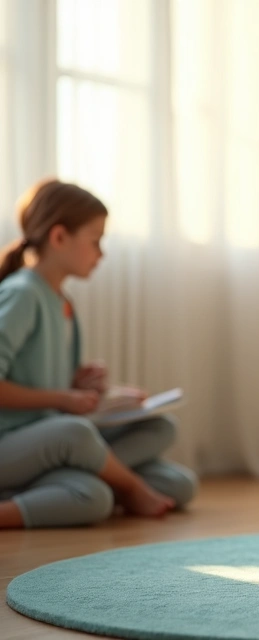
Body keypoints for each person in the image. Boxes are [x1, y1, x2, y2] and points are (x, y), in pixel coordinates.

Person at [0, 179, 197, 529]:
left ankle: (68, 483)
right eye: (95, 241)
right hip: (15, 443)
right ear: (59, 237)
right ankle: (128, 486)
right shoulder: (23, 294)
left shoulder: (63, 303)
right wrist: (63, 398)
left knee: (169, 460)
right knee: (77, 438)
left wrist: (79, 384)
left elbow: (40, 380)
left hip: (49, 439)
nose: (101, 254)